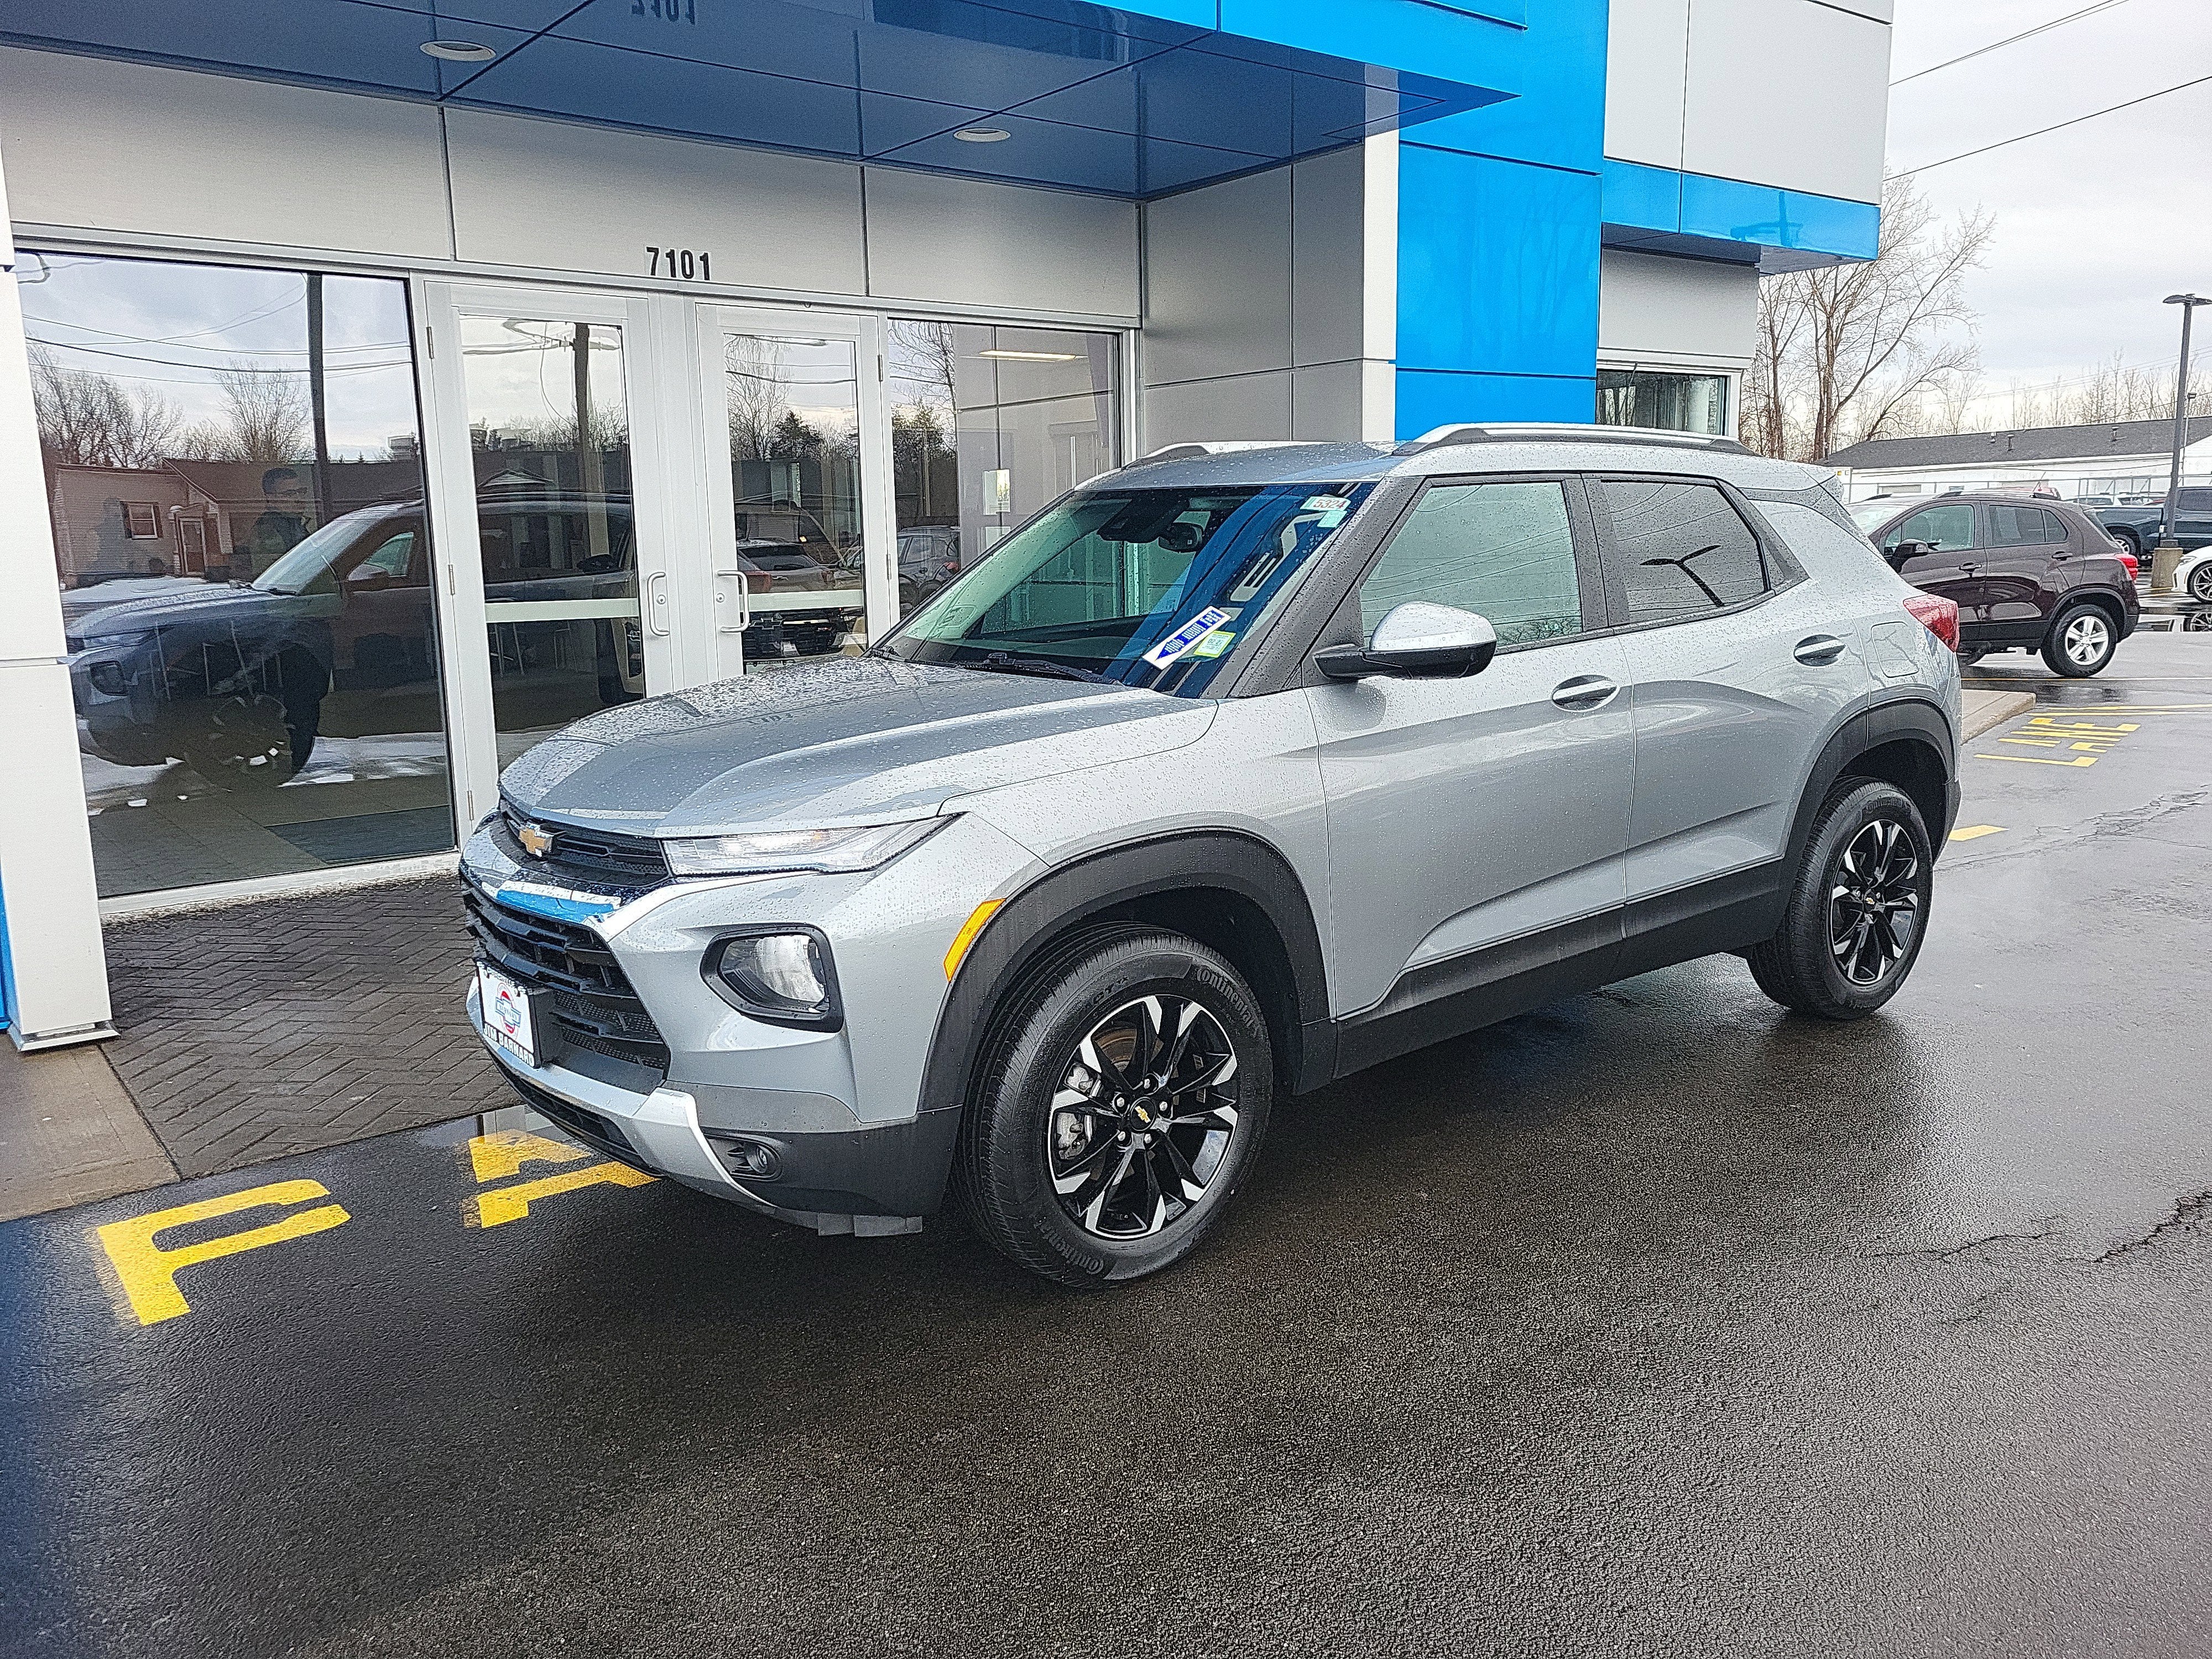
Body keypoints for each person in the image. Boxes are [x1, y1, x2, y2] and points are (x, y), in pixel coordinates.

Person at [236, 465, 317, 575]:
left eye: (301, 491)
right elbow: (276, 573)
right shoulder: (267, 530)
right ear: (271, 498)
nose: (298, 499)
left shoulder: (297, 523)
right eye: (289, 494)